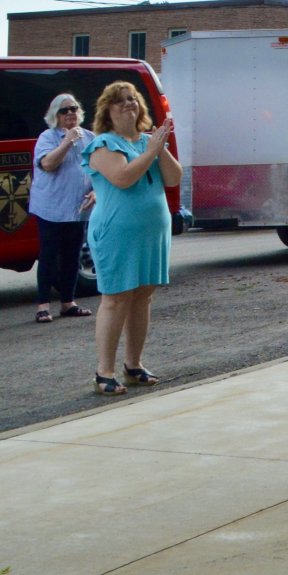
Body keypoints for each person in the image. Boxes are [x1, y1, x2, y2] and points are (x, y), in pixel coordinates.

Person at [80, 81, 181, 397]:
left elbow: (173, 178)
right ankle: (104, 372)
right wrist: (151, 150)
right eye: (120, 101)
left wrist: (156, 146)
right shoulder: (103, 145)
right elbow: (123, 178)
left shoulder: (149, 141)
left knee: (143, 295)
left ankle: (133, 365)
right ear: (107, 111)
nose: (128, 104)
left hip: (151, 232)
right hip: (116, 233)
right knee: (117, 297)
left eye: (133, 99)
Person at [30, 93, 95, 324]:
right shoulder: (47, 137)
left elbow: (99, 170)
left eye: (74, 109)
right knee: (48, 255)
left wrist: (96, 191)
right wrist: (67, 140)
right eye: (64, 110)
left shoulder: (90, 137)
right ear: (54, 115)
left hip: (77, 208)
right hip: (50, 206)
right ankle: (43, 306)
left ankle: (68, 303)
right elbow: (47, 164)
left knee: (72, 255)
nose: (70, 113)